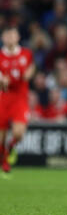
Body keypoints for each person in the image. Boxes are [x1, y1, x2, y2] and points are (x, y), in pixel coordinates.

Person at [0, 27, 35, 178]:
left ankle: (9, 150)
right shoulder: (0, 56)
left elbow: (32, 66)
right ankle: (4, 160)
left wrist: (30, 73)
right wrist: (2, 82)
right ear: (3, 38)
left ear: (18, 37)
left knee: (18, 133)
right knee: (1, 137)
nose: (10, 38)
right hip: (4, 97)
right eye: (7, 35)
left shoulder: (26, 54)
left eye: (12, 34)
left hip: (20, 98)